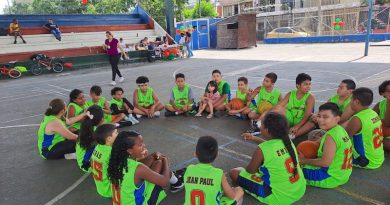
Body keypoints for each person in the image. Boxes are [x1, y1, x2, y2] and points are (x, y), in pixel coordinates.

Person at [230, 112, 306, 204]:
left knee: (234, 172)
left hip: (277, 196)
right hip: (299, 189)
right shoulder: (287, 141)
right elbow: (270, 147)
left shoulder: (262, 149)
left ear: (266, 130)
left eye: (261, 124)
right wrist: (254, 138)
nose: (260, 126)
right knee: (266, 168)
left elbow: (250, 171)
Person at [108, 131, 185, 204]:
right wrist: (166, 161)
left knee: (157, 162)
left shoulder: (117, 161)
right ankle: (177, 182)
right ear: (130, 151)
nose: (144, 146)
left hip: (124, 200)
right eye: (140, 145)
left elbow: (141, 166)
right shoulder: (137, 168)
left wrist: (152, 156)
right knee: (161, 165)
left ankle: (176, 181)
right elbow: (165, 182)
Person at [299, 103, 353, 188]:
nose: (320, 120)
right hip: (343, 174)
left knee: (292, 169)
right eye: (319, 116)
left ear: (337, 119)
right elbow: (317, 142)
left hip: (329, 177)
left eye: (325, 117)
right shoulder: (340, 129)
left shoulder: (331, 137)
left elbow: (325, 163)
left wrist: (303, 160)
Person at [184, 136, 244, 205]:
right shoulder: (219, 173)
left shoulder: (189, 169)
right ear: (216, 155)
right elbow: (232, 196)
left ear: (195, 154)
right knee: (239, 191)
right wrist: (221, 180)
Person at [345, 87, 384, 169]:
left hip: (365, 161)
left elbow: (344, 139)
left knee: (330, 148)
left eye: (351, 99)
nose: (350, 102)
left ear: (356, 102)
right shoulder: (373, 113)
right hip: (378, 158)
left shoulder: (357, 119)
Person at [274, 73, 315, 139]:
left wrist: (297, 126)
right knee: (278, 108)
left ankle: (291, 136)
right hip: (290, 119)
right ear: (298, 86)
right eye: (305, 84)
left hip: (302, 121)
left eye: (309, 84)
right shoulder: (290, 94)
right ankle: (284, 130)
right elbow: (279, 106)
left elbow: (307, 115)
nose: (308, 86)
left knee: (312, 122)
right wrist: (264, 115)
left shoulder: (310, 97)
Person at [91, 124, 118, 197]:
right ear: (109, 138)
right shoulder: (112, 153)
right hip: (110, 190)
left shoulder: (98, 147)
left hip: (101, 188)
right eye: (116, 133)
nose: (118, 134)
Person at [76, 105, 104, 172]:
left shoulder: (87, 127)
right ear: (101, 119)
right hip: (87, 165)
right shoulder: (95, 133)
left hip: (82, 160)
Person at [373, 80, 390, 151]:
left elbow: (387, 123)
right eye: (389, 91)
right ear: (383, 93)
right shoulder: (380, 105)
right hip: (386, 135)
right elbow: (371, 119)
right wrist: (378, 120)